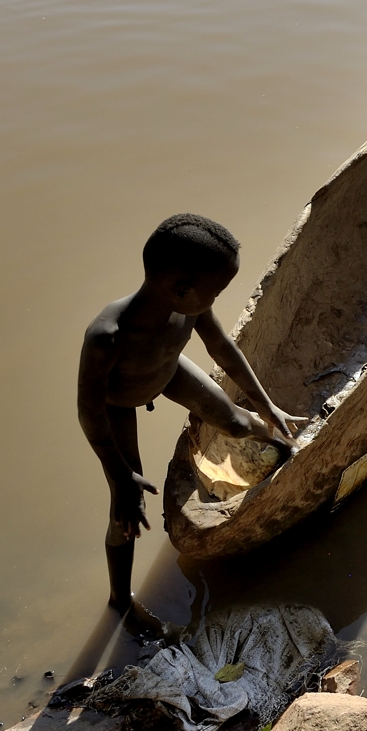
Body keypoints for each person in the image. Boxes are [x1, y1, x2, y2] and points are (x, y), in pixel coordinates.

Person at [77, 213, 304, 636]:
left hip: (167, 371)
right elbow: (89, 412)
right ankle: (120, 601)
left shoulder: (189, 307)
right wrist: (121, 474)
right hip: (118, 403)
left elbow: (221, 347)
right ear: (181, 290)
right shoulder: (107, 337)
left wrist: (267, 405)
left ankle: (285, 443)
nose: (216, 297)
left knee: (236, 422)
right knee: (126, 510)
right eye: (215, 290)